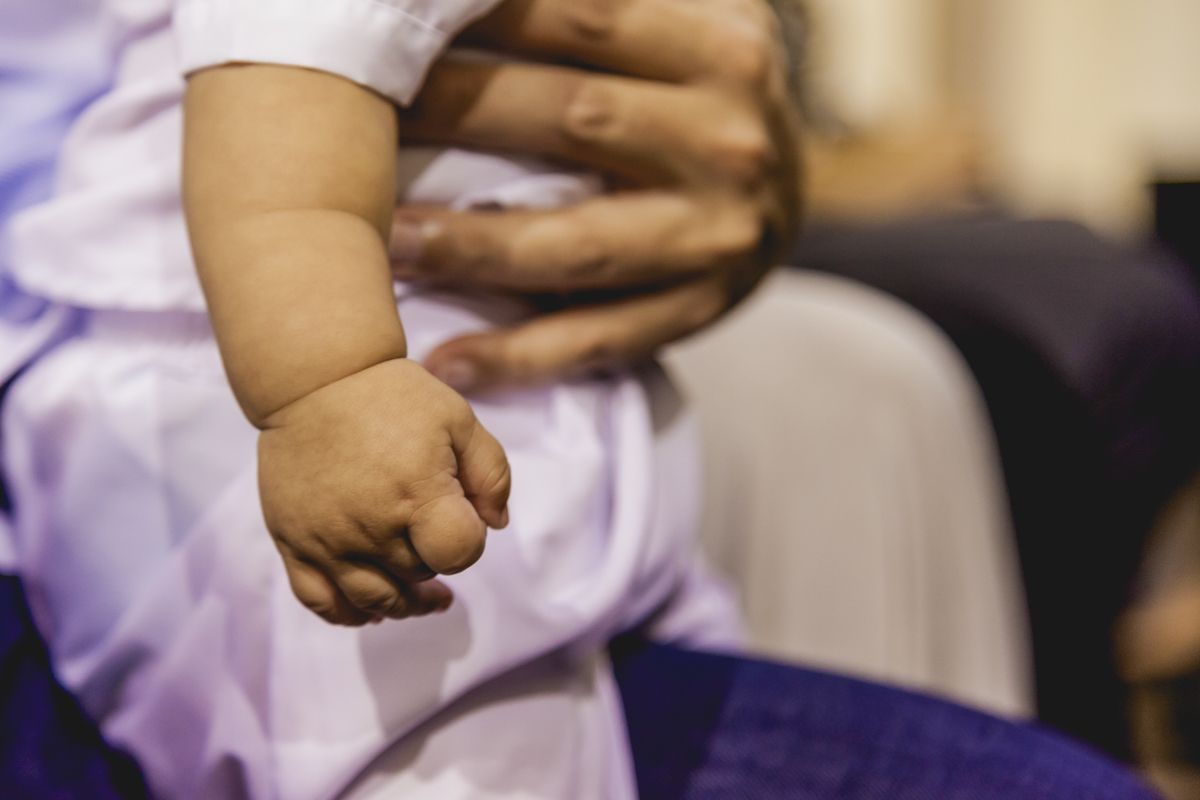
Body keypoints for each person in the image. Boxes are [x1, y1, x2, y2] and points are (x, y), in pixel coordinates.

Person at [0, 0, 800, 798]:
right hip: (301, 393)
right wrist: (331, 386)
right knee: (463, 766)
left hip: (465, 384)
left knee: (689, 670)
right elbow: (284, 69)